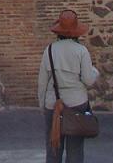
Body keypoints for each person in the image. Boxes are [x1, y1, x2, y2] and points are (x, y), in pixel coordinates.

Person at [37, 10, 99, 163]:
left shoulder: (50, 50)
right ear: (76, 32)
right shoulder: (81, 51)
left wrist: (42, 105)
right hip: (77, 104)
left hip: (53, 104)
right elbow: (88, 80)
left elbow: (42, 82)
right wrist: (95, 71)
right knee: (75, 150)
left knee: (53, 147)